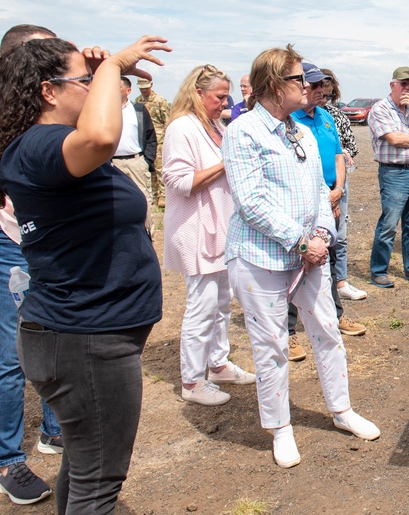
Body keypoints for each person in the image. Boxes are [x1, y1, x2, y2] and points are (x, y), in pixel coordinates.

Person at [0, 34, 170, 514]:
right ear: (49, 91)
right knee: (98, 486)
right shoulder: (40, 145)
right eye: (83, 81)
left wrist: (102, 78)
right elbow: (100, 135)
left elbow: (102, 122)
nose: (94, 85)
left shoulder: (51, 148)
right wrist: (114, 64)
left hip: (88, 335)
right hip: (86, 340)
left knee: (83, 467)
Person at [223, 45, 379, 469]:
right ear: (275, 86)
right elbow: (251, 201)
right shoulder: (243, 132)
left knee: (328, 329)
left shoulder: (304, 131)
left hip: (311, 255)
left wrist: (322, 237)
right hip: (260, 258)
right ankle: (280, 428)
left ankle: (342, 410)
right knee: (272, 344)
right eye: (299, 80)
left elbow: (317, 192)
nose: (309, 86)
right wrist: (300, 240)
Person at [162, 64, 255, 406]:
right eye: (219, 97)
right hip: (197, 229)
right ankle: (192, 380)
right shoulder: (182, 129)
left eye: (226, 96)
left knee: (221, 302)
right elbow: (181, 182)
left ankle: (218, 363)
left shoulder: (214, 125)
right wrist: (226, 162)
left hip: (221, 228)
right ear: (198, 94)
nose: (224, 103)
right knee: (201, 306)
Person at [0, 22, 61, 507]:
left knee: (55, 336)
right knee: (9, 355)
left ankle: (56, 429)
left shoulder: (51, 111)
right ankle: (7, 459)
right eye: (43, 50)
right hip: (7, 243)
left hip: (51, 240)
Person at [286, 63, 365, 362]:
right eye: (315, 86)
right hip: (307, 202)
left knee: (330, 259)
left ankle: (335, 316)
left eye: (323, 86)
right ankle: (289, 333)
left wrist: (338, 191)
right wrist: (325, 197)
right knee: (295, 264)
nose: (322, 91)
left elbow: (338, 155)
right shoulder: (290, 120)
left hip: (331, 196)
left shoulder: (326, 116)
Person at [367, 66, 409, 288]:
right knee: (388, 224)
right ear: (392, 85)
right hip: (394, 173)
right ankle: (378, 271)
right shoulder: (380, 109)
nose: (407, 88)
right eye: (403, 84)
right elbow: (395, 139)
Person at [319, 68, 368, 305]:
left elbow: (350, 145)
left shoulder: (334, 116)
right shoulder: (297, 116)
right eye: (321, 94)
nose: (324, 100)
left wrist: (345, 156)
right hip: (316, 186)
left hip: (339, 181)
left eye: (329, 96)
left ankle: (341, 283)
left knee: (340, 234)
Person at [111, 76, 157, 237]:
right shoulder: (106, 111)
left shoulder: (138, 110)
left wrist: (146, 160)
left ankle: (146, 235)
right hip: (113, 163)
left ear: (128, 91)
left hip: (136, 162)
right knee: (114, 201)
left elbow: (151, 136)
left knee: (143, 199)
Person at [134, 77, 170, 208]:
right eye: (141, 88)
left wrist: (166, 139)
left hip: (159, 138)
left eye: (146, 87)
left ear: (151, 86)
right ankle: (154, 195)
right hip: (145, 139)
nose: (144, 90)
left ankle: (163, 195)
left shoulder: (160, 101)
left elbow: (167, 121)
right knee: (150, 167)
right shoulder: (138, 102)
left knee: (160, 167)